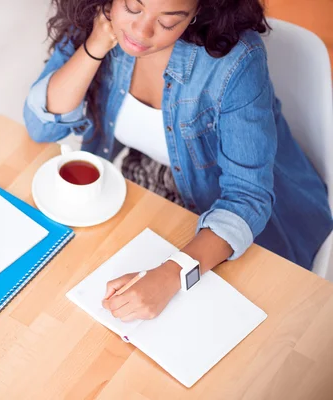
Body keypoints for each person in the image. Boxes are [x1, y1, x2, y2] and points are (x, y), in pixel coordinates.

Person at [23, 0, 333, 321]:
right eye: (132, 7)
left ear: (196, 13)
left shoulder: (235, 61)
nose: (141, 32)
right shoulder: (98, 18)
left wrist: (173, 275)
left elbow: (248, 198)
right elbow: (41, 125)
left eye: (169, 21)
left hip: (244, 217)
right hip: (153, 186)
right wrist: (96, 44)